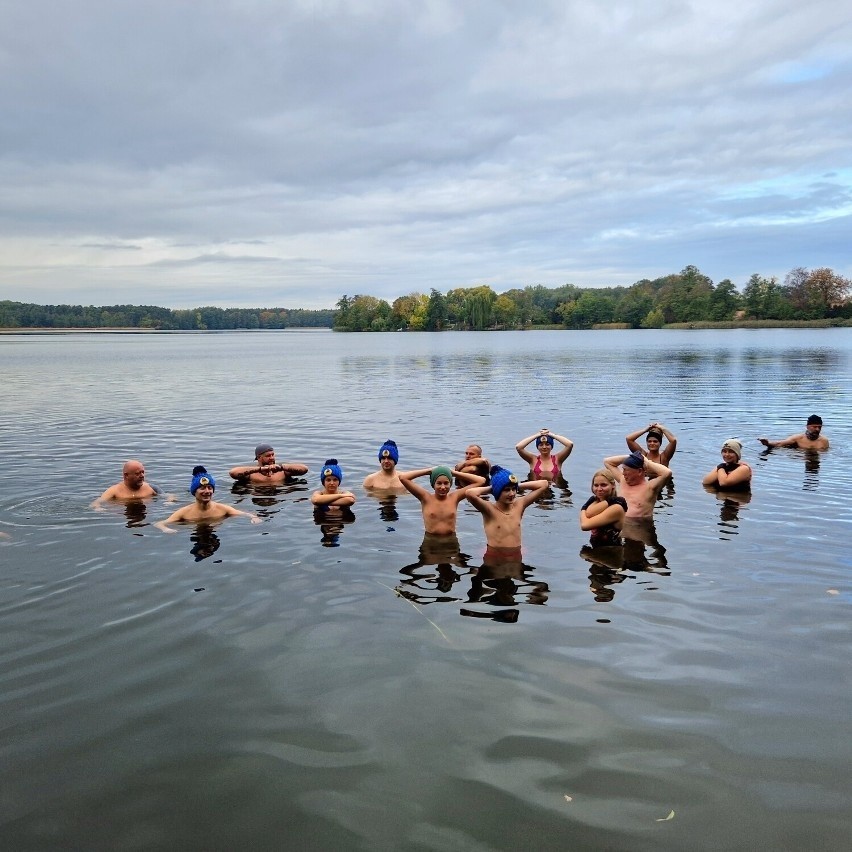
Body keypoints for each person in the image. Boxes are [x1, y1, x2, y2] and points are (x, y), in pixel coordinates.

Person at [465, 466, 549, 559]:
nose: (512, 494)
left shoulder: (519, 506)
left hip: (516, 555)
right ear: (497, 491)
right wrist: (494, 488)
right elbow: (469, 493)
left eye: (513, 489)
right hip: (495, 556)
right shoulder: (489, 510)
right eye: (506, 490)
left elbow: (544, 484)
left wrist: (516, 485)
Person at [156, 467, 261, 532]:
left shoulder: (222, 509)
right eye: (202, 488)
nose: (207, 491)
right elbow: (159, 523)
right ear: (194, 492)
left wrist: (254, 517)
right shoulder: (184, 513)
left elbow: (246, 514)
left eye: (210, 488)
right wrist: (166, 529)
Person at [399, 465, 486, 537]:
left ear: (450, 483)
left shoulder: (455, 497)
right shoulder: (425, 497)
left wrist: (453, 473)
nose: (443, 487)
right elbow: (403, 478)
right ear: (433, 484)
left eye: (446, 483)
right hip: (431, 541)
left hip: (451, 540)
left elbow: (481, 481)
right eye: (439, 483)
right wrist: (428, 471)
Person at [603, 450, 672, 519]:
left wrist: (646, 462)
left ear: (639, 471)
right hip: (618, 524)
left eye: (626, 470)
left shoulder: (650, 488)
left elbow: (667, 473)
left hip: (638, 526)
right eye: (623, 470)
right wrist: (633, 457)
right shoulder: (623, 480)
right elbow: (607, 462)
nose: (623, 473)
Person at [579, 469, 628, 547]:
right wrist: (585, 507)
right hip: (597, 550)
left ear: (613, 485)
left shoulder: (616, 508)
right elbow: (588, 513)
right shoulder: (596, 502)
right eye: (596, 485)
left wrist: (583, 509)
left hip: (611, 554)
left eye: (603, 485)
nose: (599, 489)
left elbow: (584, 525)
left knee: (584, 554)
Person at [228, 443, 309, 485]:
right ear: (259, 458)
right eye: (268, 456)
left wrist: (281, 467)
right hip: (257, 495)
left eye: (273, 455)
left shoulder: (282, 471)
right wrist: (260, 469)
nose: (272, 458)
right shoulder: (252, 473)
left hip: (279, 494)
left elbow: (304, 469)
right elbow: (233, 473)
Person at [92, 459, 160, 507]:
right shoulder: (114, 490)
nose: (142, 476)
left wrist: (168, 501)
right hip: (124, 516)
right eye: (137, 473)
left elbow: (167, 496)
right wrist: (98, 508)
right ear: (126, 475)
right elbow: (96, 503)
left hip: (144, 515)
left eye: (143, 472)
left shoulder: (151, 488)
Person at [759, 414, 829, 450]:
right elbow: (779, 443)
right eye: (814, 427)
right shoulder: (798, 438)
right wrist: (768, 443)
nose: (817, 429)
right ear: (807, 426)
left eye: (819, 427)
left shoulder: (824, 441)